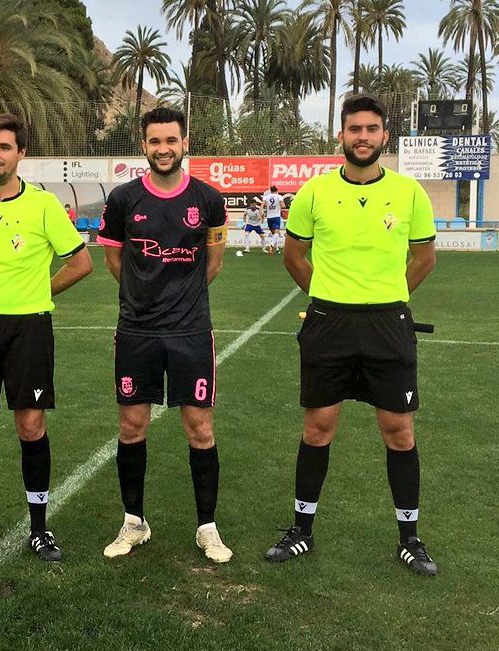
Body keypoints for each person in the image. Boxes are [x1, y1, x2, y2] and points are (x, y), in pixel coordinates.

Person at [265, 94, 438, 576]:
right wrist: (326, 295)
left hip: (388, 326)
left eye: (372, 128)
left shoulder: (409, 193)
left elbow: (424, 258)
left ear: (385, 136)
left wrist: (387, 297)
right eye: (354, 128)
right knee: (318, 428)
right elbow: (294, 256)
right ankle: (301, 531)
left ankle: (410, 538)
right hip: (329, 324)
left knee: (399, 432)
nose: (363, 136)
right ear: (340, 136)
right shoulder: (315, 193)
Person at [0, 113, 92, 562]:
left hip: (29, 327)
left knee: (30, 424)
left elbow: (81, 263)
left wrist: (36, 291)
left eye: (4, 147)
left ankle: (40, 529)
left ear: (21, 154)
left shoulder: (44, 206)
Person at [97, 107, 232, 563]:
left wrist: (182, 298)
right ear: (144, 146)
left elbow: (213, 264)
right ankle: (134, 522)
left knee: (200, 429)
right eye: (155, 142)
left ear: (184, 142)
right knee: (132, 427)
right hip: (137, 330)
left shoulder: (209, 200)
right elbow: (115, 262)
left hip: (191, 331)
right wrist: (143, 296)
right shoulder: (123, 200)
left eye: (171, 140)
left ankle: (207, 528)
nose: (163, 149)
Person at [261, 185, 284, 254]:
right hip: (276, 216)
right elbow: (283, 205)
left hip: (269, 217)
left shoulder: (266, 197)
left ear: (270, 191)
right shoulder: (279, 196)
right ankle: (271, 245)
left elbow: (262, 206)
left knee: (274, 234)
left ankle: (276, 248)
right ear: (277, 190)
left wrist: (260, 213)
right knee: (276, 233)